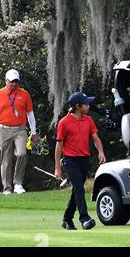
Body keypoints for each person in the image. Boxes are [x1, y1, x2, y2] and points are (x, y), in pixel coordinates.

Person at [55, 92, 106, 230]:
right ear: (77, 106)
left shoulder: (88, 120)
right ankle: (84, 219)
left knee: (76, 191)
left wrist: (101, 152)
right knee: (79, 188)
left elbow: (95, 138)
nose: (88, 105)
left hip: (84, 160)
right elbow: (59, 146)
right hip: (70, 160)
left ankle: (67, 219)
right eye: (86, 103)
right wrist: (57, 168)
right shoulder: (64, 123)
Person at [0, 69, 39, 195]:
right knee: (6, 159)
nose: (14, 84)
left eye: (16, 81)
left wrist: (33, 132)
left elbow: (30, 115)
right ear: (6, 81)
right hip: (3, 130)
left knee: (21, 154)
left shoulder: (24, 94)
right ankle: (7, 188)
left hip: (20, 129)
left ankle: (18, 183)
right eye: (11, 81)